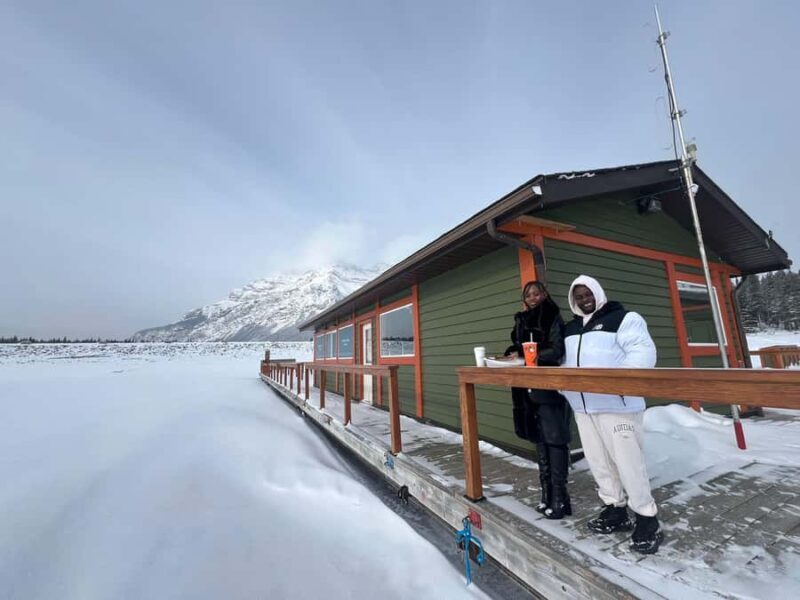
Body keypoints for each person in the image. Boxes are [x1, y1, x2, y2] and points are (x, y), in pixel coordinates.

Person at [561, 275, 663, 554]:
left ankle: (646, 517)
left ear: (598, 293)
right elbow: (563, 362)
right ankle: (615, 508)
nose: (584, 300)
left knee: (628, 463)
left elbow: (642, 353)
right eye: (578, 296)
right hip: (583, 407)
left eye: (587, 294)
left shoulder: (624, 318)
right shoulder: (570, 328)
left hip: (617, 407)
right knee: (599, 463)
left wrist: (620, 386)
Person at [504, 280, 572, 520]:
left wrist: (525, 356)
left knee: (554, 440)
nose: (532, 297)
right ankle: (547, 495)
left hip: (548, 386)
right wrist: (513, 353)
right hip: (526, 387)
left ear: (544, 294)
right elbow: (518, 346)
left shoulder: (552, 315)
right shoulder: (522, 319)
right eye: (528, 295)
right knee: (540, 440)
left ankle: (560, 498)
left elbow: (556, 351)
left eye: (536, 293)